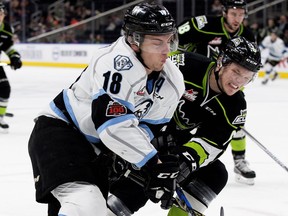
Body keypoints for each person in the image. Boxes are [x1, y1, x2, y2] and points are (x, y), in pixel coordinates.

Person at [28, 2, 185, 216]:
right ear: (134, 40)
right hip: (61, 133)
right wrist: (152, 164)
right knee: (87, 207)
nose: (167, 50)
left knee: (85, 210)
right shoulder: (116, 63)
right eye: (157, 42)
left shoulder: (173, 81)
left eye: (169, 40)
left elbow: (149, 127)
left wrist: (155, 169)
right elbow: (112, 128)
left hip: (96, 150)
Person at [108, 36, 262, 216]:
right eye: (236, 71)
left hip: (172, 143)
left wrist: (185, 162)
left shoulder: (235, 106)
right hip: (139, 132)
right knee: (131, 190)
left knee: (215, 174)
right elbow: (137, 90)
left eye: (247, 77)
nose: (239, 82)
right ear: (221, 62)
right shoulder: (183, 66)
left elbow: (212, 143)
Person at [175, 0, 257, 184]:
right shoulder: (204, 24)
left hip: (223, 86)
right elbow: (174, 39)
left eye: (241, 14)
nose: (237, 18)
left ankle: (239, 160)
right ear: (224, 12)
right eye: (234, 13)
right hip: (193, 79)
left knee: (231, 123)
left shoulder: (248, 35)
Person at [0, 3, 22, 133]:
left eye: (1, 13)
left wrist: (15, 58)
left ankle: (0, 116)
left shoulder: (7, 29)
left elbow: (8, 47)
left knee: (4, 89)